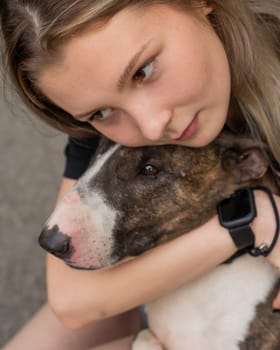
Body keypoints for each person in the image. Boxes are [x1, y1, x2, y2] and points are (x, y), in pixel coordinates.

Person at [1, 0, 280, 349]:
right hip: (162, 272)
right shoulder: (106, 115)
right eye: (100, 113)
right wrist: (255, 221)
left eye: (143, 71)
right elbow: (73, 302)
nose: (151, 125)